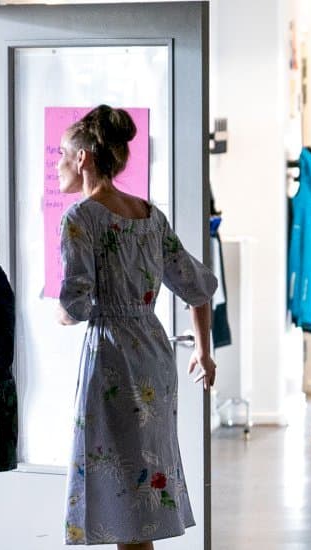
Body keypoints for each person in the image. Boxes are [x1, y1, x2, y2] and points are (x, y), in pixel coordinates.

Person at [55, 105, 218, 549]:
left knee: (123, 495)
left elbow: (75, 303)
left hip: (113, 358)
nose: (58, 164)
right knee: (140, 490)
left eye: (62, 155)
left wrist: (61, 313)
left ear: (83, 158)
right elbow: (198, 286)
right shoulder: (148, 215)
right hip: (153, 354)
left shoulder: (80, 218)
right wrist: (203, 351)